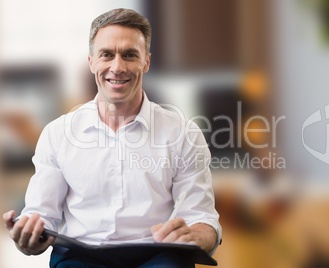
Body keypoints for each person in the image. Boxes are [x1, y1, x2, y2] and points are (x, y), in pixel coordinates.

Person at [2, 8, 221, 267]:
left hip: (157, 255)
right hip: (80, 256)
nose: (117, 67)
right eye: (107, 55)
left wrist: (197, 234)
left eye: (130, 55)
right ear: (91, 61)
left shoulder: (184, 133)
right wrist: (29, 234)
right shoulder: (57, 133)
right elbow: (42, 215)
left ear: (146, 62)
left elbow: (202, 218)